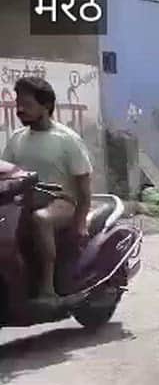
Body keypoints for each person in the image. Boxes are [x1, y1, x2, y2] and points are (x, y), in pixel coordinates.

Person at [1, 76, 93, 306]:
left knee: (40, 220)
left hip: (61, 201)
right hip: (23, 201)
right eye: (18, 104)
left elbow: (83, 185)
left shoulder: (67, 139)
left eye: (27, 105)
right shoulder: (16, 139)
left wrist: (80, 222)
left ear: (46, 106)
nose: (20, 109)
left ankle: (47, 290)